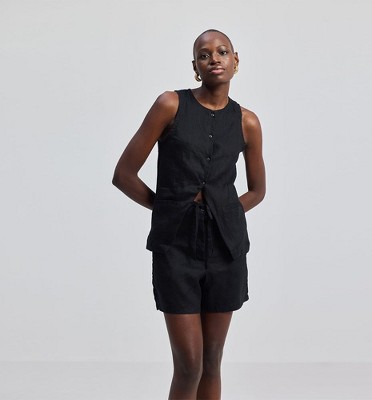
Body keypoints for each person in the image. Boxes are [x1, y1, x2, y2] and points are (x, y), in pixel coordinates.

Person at [112, 29, 266, 400]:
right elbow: (124, 175)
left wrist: (222, 213)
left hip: (226, 247)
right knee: (189, 364)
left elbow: (257, 191)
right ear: (195, 66)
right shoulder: (170, 104)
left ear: (235, 61)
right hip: (176, 246)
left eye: (222, 52)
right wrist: (172, 210)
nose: (214, 59)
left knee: (212, 362)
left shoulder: (247, 121)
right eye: (204, 54)